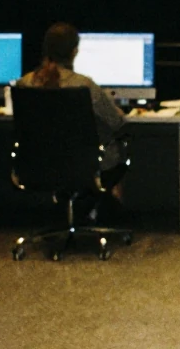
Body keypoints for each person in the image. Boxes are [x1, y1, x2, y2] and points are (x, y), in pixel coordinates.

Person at [16, 22, 128, 219]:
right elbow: (116, 123)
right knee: (113, 149)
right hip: (85, 167)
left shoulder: (24, 83)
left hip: (39, 166)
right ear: (74, 51)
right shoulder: (84, 86)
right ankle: (109, 209)